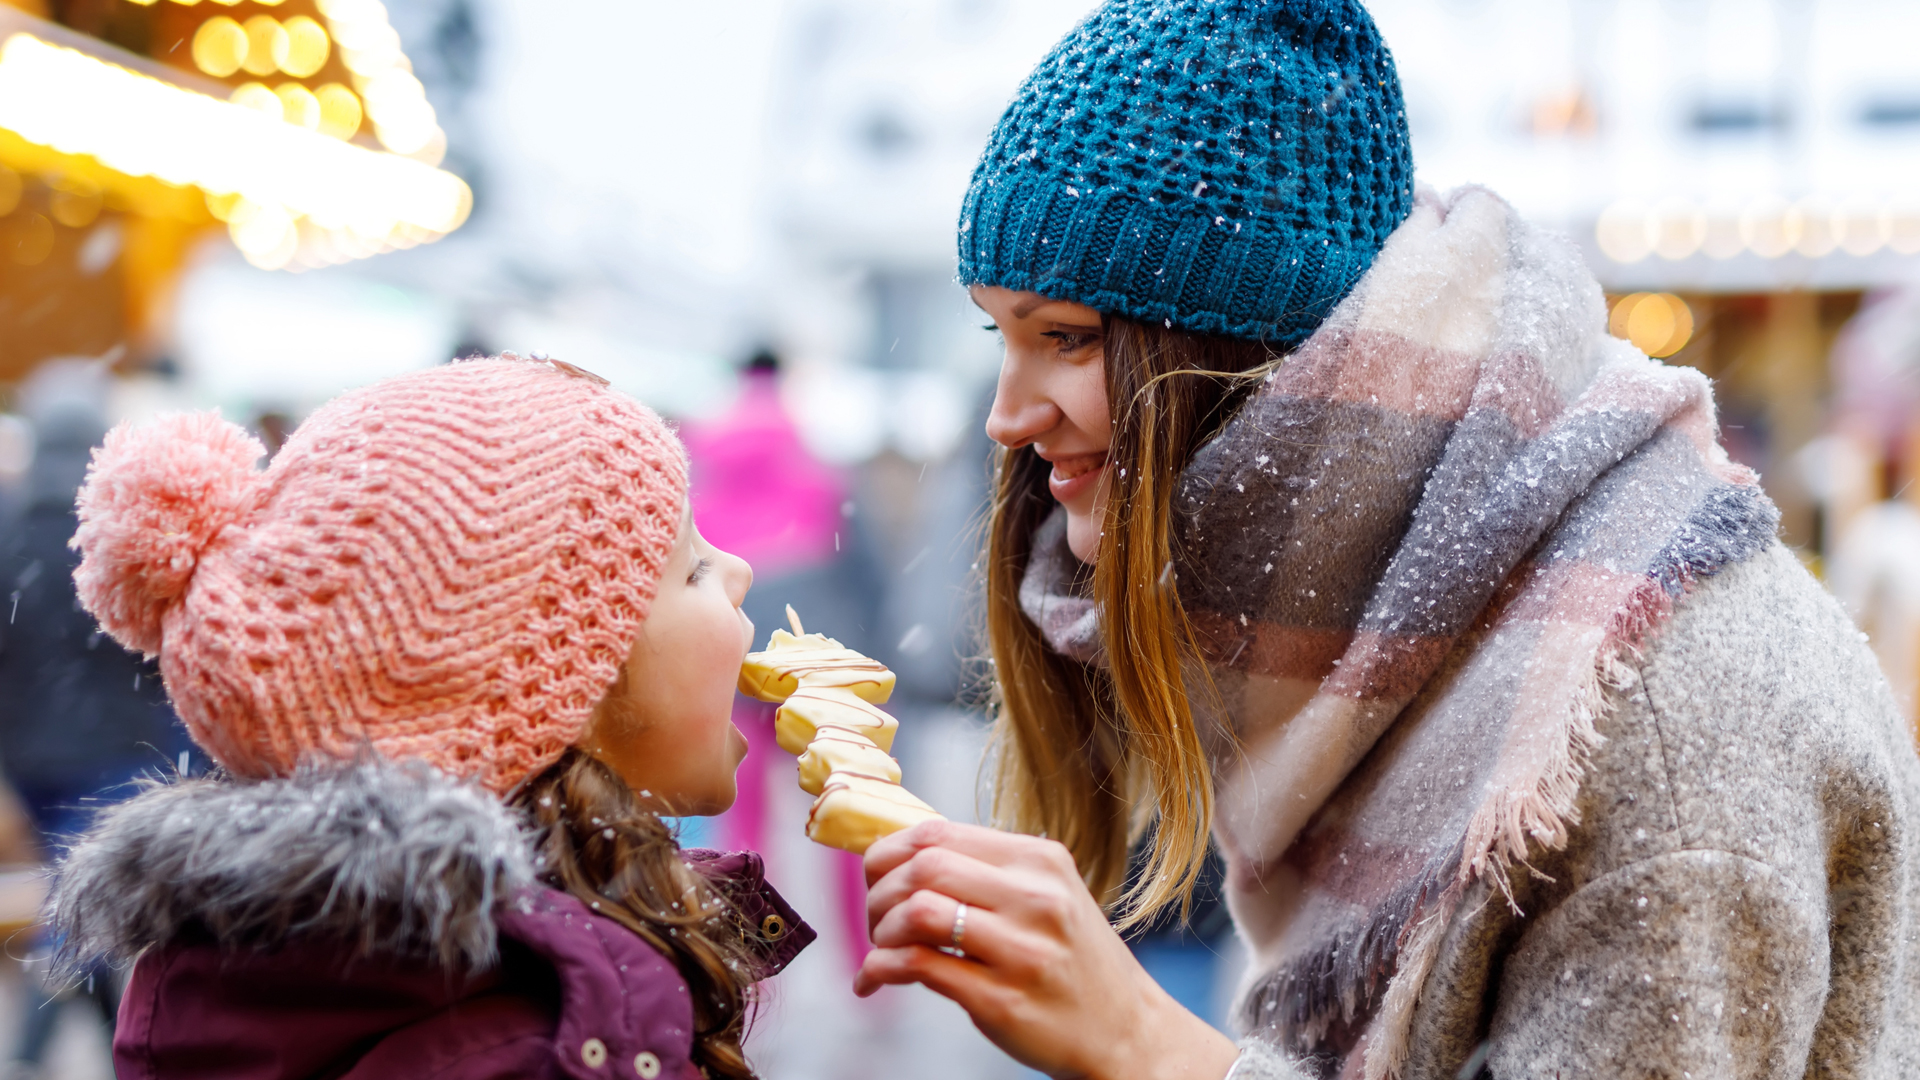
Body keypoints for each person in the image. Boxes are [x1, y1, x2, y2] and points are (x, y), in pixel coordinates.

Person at [854, 3, 1920, 1080]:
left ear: (1243, 345)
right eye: (1005, 333)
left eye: (1067, 338)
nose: (1006, 414)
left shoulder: (1660, 726)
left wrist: (1149, 1049)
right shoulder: (1395, 608)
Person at [42, 356, 813, 1079]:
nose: (738, 570)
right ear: (561, 690)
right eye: (694, 568)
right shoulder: (529, 1053)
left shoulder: (424, 1004)